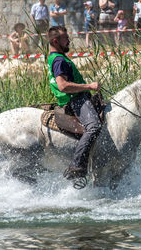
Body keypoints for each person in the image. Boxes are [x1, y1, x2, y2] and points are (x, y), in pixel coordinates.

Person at [47, 26, 102, 187]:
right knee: (93, 127)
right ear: (56, 41)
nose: (69, 40)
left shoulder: (57, 57)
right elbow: (63, 86)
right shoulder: (59, 60)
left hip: (77, 97)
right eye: (66, 38)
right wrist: (89, 87)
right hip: (75, 100)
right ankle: (76, 166)